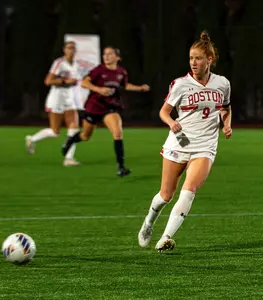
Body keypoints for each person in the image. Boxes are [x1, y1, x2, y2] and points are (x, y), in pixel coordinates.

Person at [137, 31, 232, 253]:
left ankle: (166, 237)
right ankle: (149, 222)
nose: (193, 62)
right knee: (165, 195)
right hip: (179, 142)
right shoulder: (180, 84)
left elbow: (225, 108)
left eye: (198, 58)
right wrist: (171, 122)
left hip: (206, 145)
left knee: (189, 190)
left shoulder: (223, 83)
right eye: (191, 58)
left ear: (209, 60)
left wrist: (227, 124)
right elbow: (164, 112)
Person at [60, 46, 150, 176]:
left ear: (117, 57)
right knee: (85, 136)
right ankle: (70, 141)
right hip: (94, 107)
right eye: (104, 54)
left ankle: (121, 167)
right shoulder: (98, 70)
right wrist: (99, 89)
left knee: (117, 133)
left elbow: (125, 85)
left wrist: (140, 88)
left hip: (110, 107)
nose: (106, 56)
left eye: (110, 54)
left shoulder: (121, 72)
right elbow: (84, 83)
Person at [25, 41, 82, 166]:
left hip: (69, 99)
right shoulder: (59, 63)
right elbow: (48, 81)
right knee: (55, 132)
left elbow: (76, 81)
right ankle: (32, 139)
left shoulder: (77, 65)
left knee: (74, 128)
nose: (71, 50)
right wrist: (65, 81)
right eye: (69, 48)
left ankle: (69, 158)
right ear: (64, 50)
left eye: (73, 48)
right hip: (57, 98)